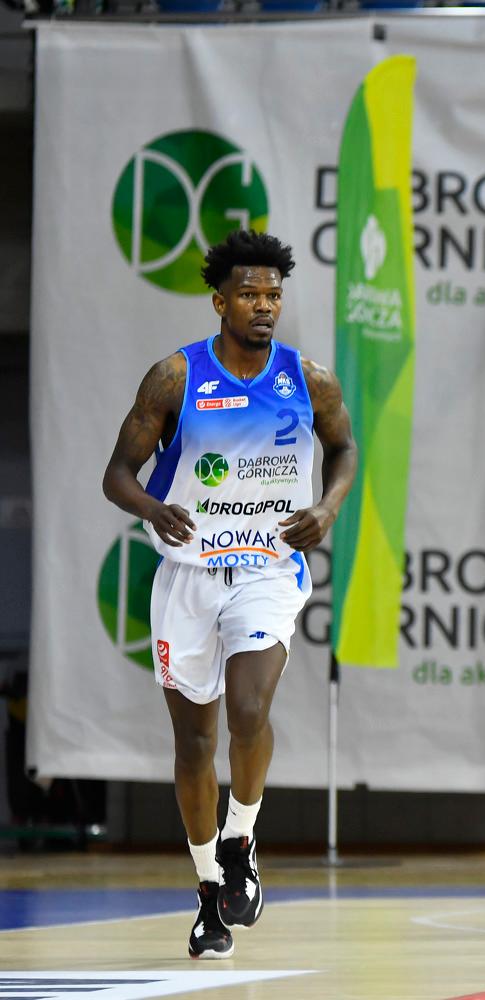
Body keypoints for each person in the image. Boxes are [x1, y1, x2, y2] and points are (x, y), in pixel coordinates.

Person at [102, 231, 356, 959]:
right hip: (187, 576)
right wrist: (153, 509)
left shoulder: (308, 379)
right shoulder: (175, 377)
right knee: (194, 744)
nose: (264, 305)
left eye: (274, 294)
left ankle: (241, 837)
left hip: (266, 570)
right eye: (249, 294)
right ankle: (209, 889)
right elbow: (117, 474)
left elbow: (343, 448)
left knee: (248, 711)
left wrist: (327, 507)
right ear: (220, 302)